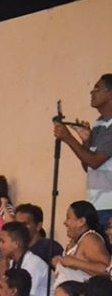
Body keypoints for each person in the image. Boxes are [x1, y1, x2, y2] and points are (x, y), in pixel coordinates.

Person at [53, 74, 112, 229]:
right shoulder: (100, 124)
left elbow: (95, 161)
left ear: (110, 93)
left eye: (97, 88)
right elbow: (88, 166)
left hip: (109, 205)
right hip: (96, 204)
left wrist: (68, 138)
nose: (92, 92)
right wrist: (86, 142)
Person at [52, 200, 111, 287]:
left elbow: (106, 270)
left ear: (81, 221)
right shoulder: (75, 240)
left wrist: (75, 263)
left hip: (85, 294)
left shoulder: (90, 239)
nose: (65, 222)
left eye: (68, 217)